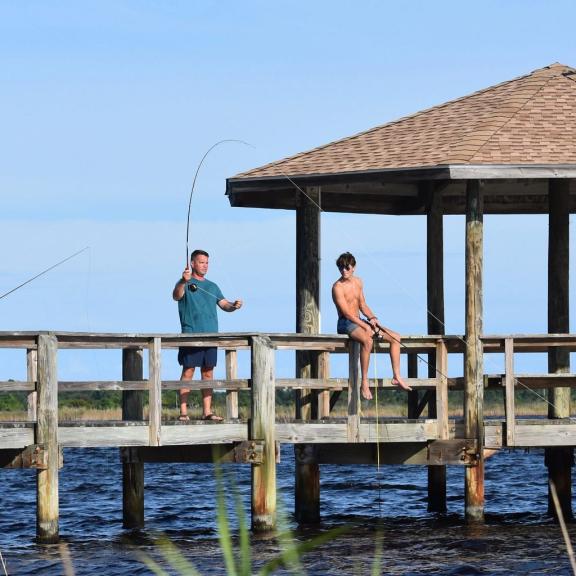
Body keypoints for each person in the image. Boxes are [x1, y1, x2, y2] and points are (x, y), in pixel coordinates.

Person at [172, 249, 242, 421]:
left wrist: (234, 305)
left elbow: (224, 305)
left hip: (211, 336)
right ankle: (183, 412)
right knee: (188, 371)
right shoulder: (185, 283)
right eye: (201, 262)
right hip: (191, 335)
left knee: (208, 372)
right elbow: (176, 295)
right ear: (192, 263)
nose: (205, 265)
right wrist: (183, 280)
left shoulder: (213, 286)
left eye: (207, 263)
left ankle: (207, 412)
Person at [331, 251, 411, 400]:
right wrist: (365, 326)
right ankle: (365, 382)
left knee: (396, 337)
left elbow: (362, 304)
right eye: (340, 268)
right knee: (367, 340)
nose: (343, 271)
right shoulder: (337, 287)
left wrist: (372, 318)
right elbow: (347, 314)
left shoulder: (358, 282)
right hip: (345, 323)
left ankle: (397, 376)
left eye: (346, 267)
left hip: (359, 320)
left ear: (353, 267)